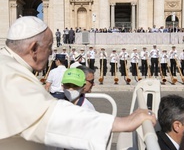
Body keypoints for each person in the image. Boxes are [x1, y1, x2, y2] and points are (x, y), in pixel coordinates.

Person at [0, 16, 156, 150]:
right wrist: (121, 122)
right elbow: (48, 116)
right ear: (33, 48)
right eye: (49, 47)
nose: (50, 53)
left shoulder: (9, 65)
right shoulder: (8, 74)